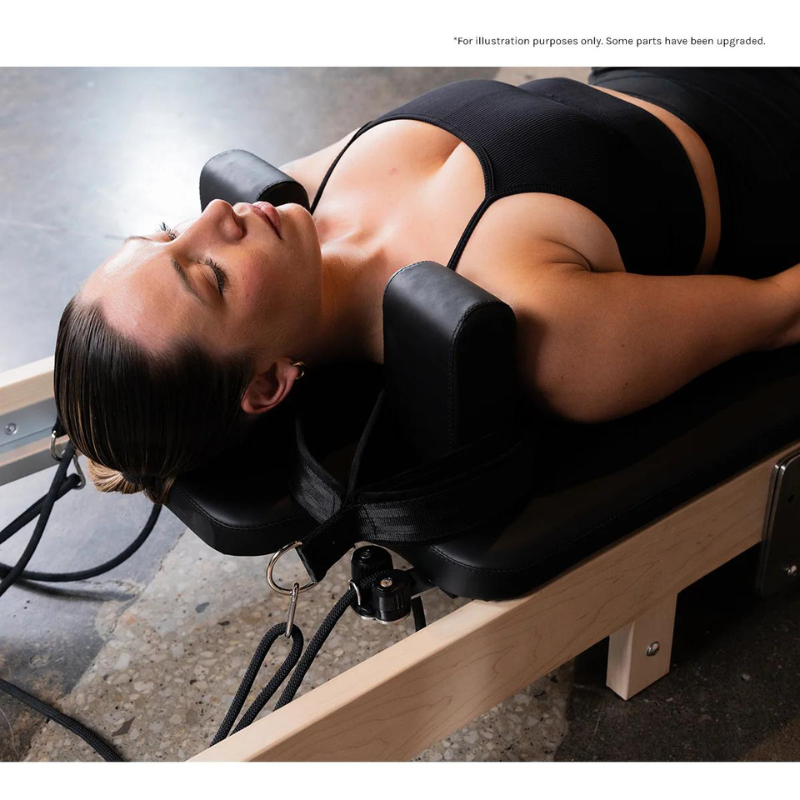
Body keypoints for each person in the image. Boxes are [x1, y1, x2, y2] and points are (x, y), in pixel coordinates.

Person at [54, 67, 800, 504]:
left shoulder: (303, 203)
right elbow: (778, 315)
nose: (216, 216)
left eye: (166, 233)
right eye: (208, 276)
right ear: (269, 385)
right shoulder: (538, 325)